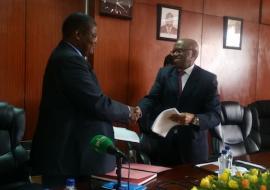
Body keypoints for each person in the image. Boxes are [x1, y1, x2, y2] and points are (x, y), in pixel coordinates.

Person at [30, 12, 141, 188]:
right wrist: (128, 111)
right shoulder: (69, 59)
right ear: (78, 34)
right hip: (65, 154)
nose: (96, 40)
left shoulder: (68, 56)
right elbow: (95, 102)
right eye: (94, 35)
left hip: (72, 153)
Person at [138, 38, 221, 166]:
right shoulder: (164, 73)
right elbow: (151, 98)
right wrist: (139, 109)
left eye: (179, 51)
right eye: (173, 51)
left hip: (192, 148)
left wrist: (194, 118)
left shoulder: (207, 79)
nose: (173, 54)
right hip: (165, 144)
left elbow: (215, 115)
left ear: (192, 54)